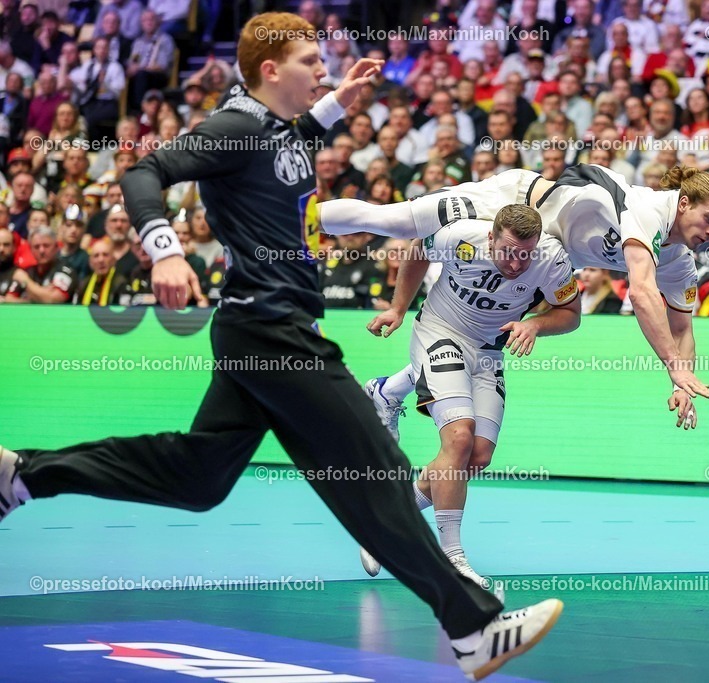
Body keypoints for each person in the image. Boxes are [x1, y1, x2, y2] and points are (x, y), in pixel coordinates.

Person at [0, 15, 562, 681]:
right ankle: (472, 627)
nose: (322, 68)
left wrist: (334, 105)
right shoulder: (235, 125)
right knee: (374, 471)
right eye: (309, 61)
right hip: (274, 328)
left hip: (260, 330)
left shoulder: (278, 130)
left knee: (200, 477)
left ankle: (22, 474)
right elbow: (145, 173)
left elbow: (282, 150)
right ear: (270, 71)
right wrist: (165, 250)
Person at [319, 163, 709, 430]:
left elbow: (682, 326)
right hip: (513, 201)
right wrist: (676, 369)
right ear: (683, 204)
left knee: (479, 337)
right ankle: (283, 217)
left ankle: (387, 391)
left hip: (543, 251)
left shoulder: (679, 262)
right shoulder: (648, 212)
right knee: (398, 220)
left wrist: (683, 383)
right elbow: (643, 295)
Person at [359, 205, 581, 590]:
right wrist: (398, 308)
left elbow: (571, 313)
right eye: (508, 251)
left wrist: (535, 325)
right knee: (458, 438)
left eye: (524, 254)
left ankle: (383, 524)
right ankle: (452, 559)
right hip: (439, 331)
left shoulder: (551, 260)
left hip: (488, 351)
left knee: (475, 457)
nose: (515, 264)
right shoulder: (459, 236)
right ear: (491, 237)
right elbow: (416, 251)